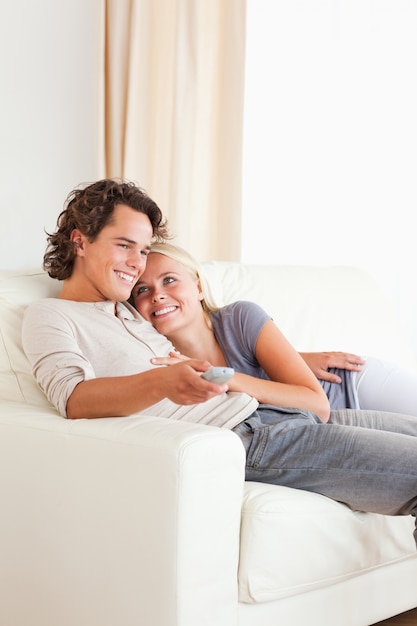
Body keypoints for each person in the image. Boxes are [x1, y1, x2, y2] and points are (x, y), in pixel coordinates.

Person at [22, 178, 417, 545]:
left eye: (142, 250)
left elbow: (204, 333)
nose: (137, 263)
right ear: (80, 241)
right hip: (248, 438)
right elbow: (74, 399)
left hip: (272, 412)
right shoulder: (51, 316)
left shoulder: (127, 309)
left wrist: (292, 357)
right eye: (124, 245)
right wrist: (161, 383)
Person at [131, 242, 417, 417]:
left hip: (349, 387)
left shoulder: (240, 318)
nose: (156, 295)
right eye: (142, 289)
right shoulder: (157, 360)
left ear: (199, 287)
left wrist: (228, 379)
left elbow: (316, 404)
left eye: (169, 280)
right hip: (321, 432)